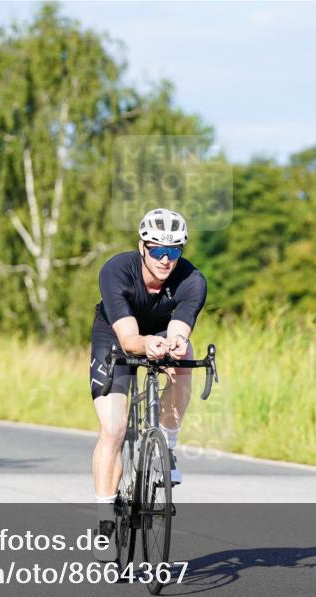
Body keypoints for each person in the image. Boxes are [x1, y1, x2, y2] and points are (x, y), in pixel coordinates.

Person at [89, 208, 207, 559]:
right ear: (143, 247)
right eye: (157, 250)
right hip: (116, 335)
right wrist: (145, 344)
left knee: (185, 356)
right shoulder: (116, 271)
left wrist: (175, 344)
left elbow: (179, 330)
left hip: (158, 332)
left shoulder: (192, 280)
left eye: (174, 251)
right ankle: (105, 521)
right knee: (114, 429)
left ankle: (167, 445)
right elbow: (128, 340)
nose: (165, 259)